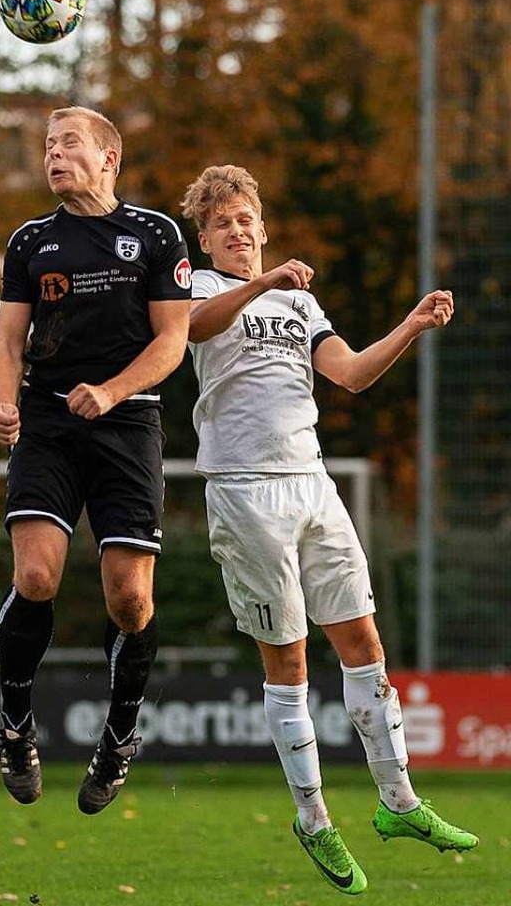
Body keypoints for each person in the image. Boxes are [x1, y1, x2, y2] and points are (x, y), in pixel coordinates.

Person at [181, 165, 478, 895]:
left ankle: (399, 802)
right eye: (223, 223)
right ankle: (314, 819)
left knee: (365, 644)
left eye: (246, 218)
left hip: (312, 482)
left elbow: (347, 373)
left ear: (263, 225)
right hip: (245, 490)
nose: (238, 230)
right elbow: (192, 330)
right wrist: (264, 282)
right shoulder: (199, 287)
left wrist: (409, 325)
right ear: (205, 238)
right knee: (289, 661)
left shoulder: (302, 305)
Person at [0, 106, 191, 812]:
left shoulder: (157, 234)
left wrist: (110, 390)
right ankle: (16, 728)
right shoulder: (30, 242)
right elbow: (7, 343)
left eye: (69, 142)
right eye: (47, 144)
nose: (54, 154)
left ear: (110, 156)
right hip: (45, 420)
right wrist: (4, 402)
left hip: (127, 422)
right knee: (36, 574)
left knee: (130, 599)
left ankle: (118, 738)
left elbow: (172, 342)